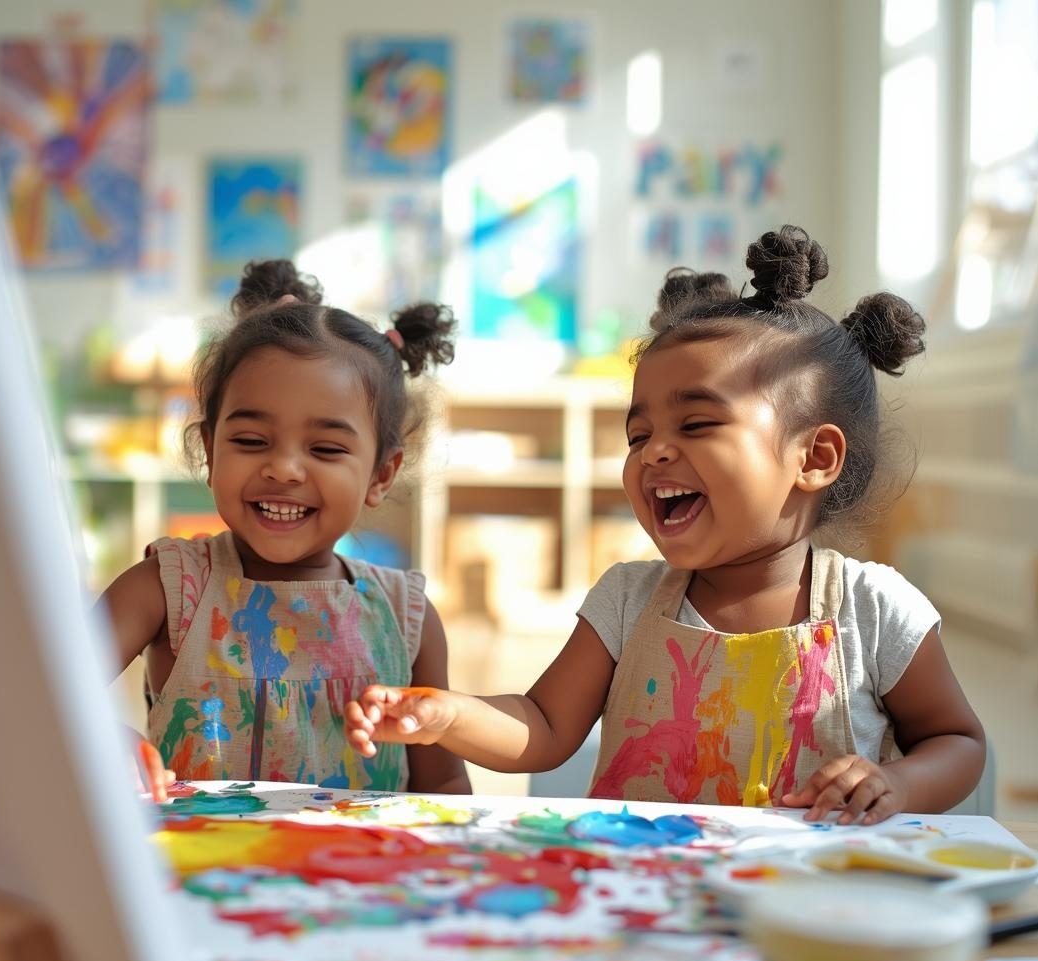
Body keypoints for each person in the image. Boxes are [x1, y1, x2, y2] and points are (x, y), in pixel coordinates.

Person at [347, 226, 986, 825]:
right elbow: (542, 725)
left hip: (803, 908)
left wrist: (898, 782)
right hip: (645, 899)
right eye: (638, 434)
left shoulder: (874, 611)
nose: (653, 452)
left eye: (698, 425)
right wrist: (448, 713)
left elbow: (956, 740)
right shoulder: (627, 600)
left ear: (814, 458)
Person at [102, 259, 470, 799]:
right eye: (252, 441)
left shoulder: (405, 619)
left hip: (356, 879)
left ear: (380, 474)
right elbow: (43, 692)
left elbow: (443, 783)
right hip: (203, 875)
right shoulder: (168, 587)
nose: (284, 469)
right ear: (209, 449)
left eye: (324, 449)